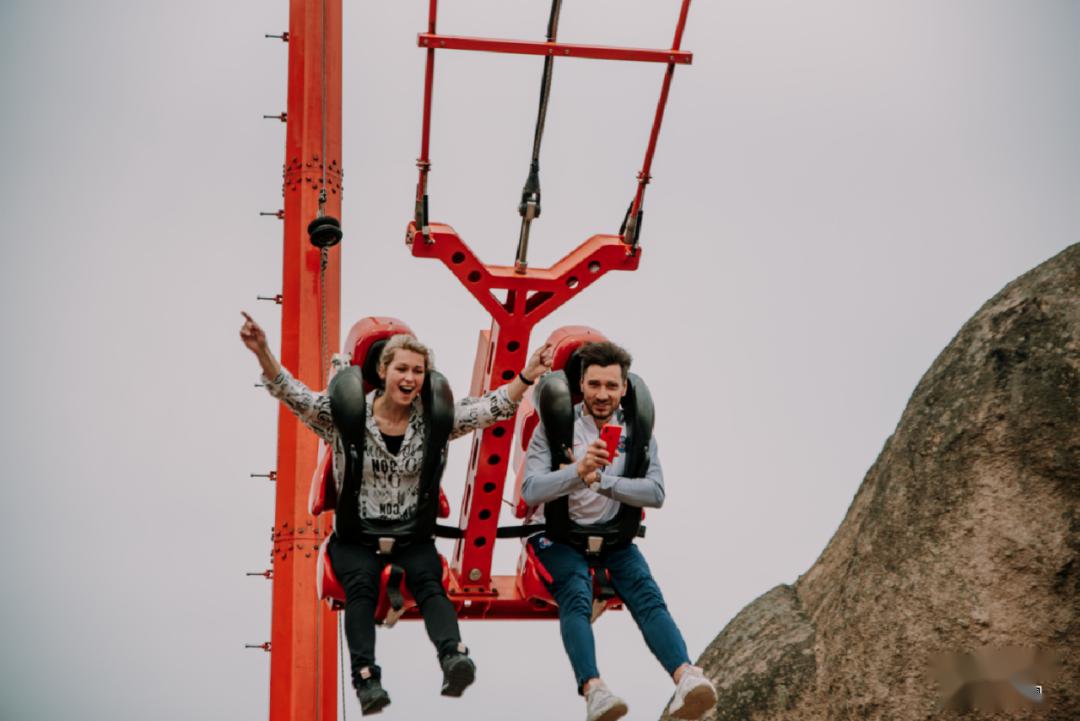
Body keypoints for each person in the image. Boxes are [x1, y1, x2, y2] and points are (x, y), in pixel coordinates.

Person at [240, 311, 553, 714]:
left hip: (411, 536)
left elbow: (490, 409)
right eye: (402, 369)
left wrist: (527, 375)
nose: (410, 378)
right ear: (383, 370)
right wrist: (263, 351)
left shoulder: (433, 420)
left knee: (430, 582)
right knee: (361, 586)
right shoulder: (345, 416)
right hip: (356, 539)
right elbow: (290, 392)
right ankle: (367, 679)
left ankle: (454, 656)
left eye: (418, 371)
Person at [522, 341, 718, 721]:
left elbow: (656, 493)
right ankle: (593, 689)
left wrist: (605, 482)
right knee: (576, 592)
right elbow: (531, 490)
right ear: (582, 384)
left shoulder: (637, 431)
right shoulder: (557, 426)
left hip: (613, 536)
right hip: (558, 536)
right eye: (594, 385)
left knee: (647, 594)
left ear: (625, 388)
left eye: (611, 386)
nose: (602, 394)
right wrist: (576, 472)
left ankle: (685, 676)